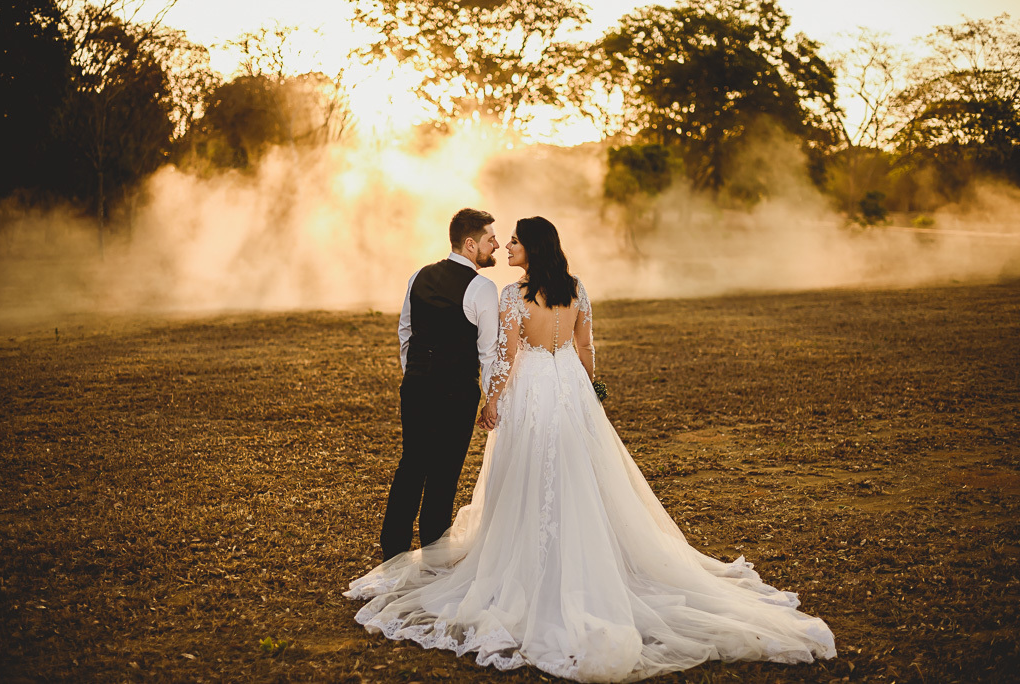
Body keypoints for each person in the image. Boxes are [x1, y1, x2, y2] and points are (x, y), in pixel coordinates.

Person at [348, 217, 836, 682]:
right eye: (505, 239)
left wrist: (492, 402)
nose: (508, 246)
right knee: (579, 472)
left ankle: (528, 563)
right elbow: (585, 350)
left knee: (527, 473)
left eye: (515, 240)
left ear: (532, 249)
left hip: (534, 392)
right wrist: (589, 391)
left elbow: (507, 356)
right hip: (569, 389)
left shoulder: (513, 295)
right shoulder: (576, 289)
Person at [379, 208, 500, 561]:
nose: (494, 245)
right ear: (469, 244)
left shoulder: (419, 275)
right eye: (489, 239)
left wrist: (414, 371)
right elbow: (489, 352)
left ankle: (394, 551)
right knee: (444, 472)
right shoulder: (482, 287)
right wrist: (491, 400)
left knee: (411, 464)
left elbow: (406, 330)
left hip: (416, 386)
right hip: (456, 392)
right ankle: (433, 550)